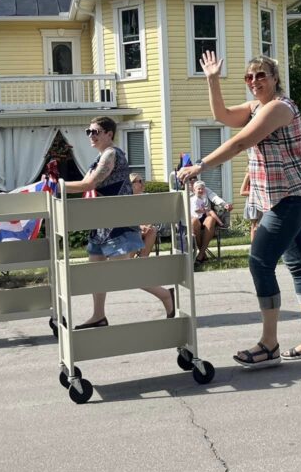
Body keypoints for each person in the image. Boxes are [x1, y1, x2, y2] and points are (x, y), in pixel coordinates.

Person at [178, 51, 301, 368]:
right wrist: (213, 79)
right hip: (285, 196)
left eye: (261, 75)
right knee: (299, 265)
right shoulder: (257, 107)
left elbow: (241, 141)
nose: (254, 81)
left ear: (275, 79)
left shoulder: (278, 108)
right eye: (249, 77)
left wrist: (200, 165)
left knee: (259, 261)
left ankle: (269, 344)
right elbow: (222, 116)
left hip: (291, 195)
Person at [60, 117, 175, 328]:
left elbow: (90, 183)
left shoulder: (112, 154)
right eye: (88, 132)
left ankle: (166, 295)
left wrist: (58, 185)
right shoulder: (99, 159)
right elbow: (87, 186)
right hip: (101, 224)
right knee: (96, 271)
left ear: (108, 134)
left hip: (117, 224)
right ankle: (98, 316)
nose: (91, 136)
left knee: (123, 273)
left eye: (95, 131)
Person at [190, 180, 231, 263]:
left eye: (194, 177)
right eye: (190, 178)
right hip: (192, 218)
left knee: (211, 219)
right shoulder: (183, 192)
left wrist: (224, 204)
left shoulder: (204, 190)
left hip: (204, 217)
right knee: (194, 221)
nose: (192, 179)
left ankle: (200, 254)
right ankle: (202, 255)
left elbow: (215, 198)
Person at [129, 174, 160, 258]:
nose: (142, 183)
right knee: (137, 233)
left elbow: (151, 214)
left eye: (142, 180)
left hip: (144, 228)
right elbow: (126, 219)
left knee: (152, 230)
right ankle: (127, 262)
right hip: (129, 229)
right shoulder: (126, 198)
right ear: (131, 184)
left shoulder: (146, 197)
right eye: (139, 181)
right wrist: (140, 226)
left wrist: (148, 225)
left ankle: (143, 259)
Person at [240, 171, 262, 241]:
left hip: (263, 202)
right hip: (253, 202)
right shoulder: (249, 174)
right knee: (254, 226)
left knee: (262, 225)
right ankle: (254, 247)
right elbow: (242, 192)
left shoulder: (263, 173)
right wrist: (257, 193)